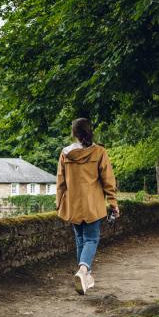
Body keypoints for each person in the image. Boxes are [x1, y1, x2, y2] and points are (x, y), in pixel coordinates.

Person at [55, 118, 119, 295]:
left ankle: (85, 279)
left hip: (73, 205)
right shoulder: (99, 152)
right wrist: (113, 202)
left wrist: (59, 203)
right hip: (93, 205)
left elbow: (60, 182)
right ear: (89, 131)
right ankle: (83, 271)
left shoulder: (65, 153)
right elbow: (108, 180)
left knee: (81, 240)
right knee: (91, 240)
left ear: (74, 133)